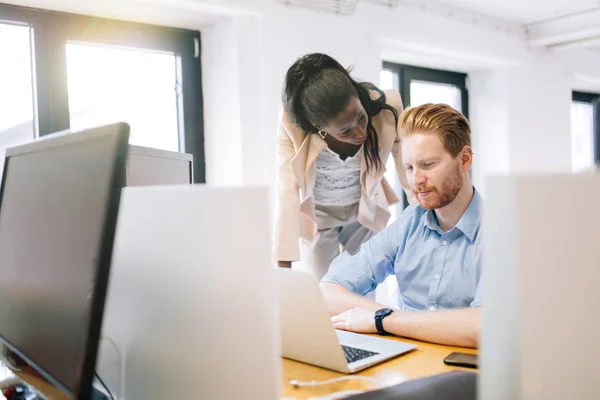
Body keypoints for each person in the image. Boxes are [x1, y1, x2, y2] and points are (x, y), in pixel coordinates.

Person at [320, 103, 482, 348]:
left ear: (465, 159)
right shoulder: (410, 222)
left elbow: (483, 328)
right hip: (411, 363)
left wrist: (382, 320)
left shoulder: (499, 232)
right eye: (409, 167)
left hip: (467, 374)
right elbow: (327, 292)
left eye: (428, 165)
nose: (416, 180)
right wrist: (390, 319)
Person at [274, 53, 413, 279]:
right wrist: (282, 274)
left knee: (362, 289)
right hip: (319, 216)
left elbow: (408, 168)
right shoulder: (293, 126)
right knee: (322, 294)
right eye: (346, 131)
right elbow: (287, 191)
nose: (360, 132)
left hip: (363, 210)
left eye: (360, 117)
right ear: (319, 127)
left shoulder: (387, 107)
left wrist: (429, 219)